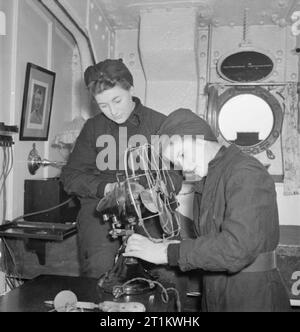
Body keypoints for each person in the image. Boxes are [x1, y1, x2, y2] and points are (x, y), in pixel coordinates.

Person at [124, 108, 291, 312]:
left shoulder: (245, 171)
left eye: (183, 154)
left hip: (252, 294)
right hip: (214, 290)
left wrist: (167, 252)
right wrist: (167, 244)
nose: (184, 169)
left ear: (199, 137)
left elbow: (237, 248)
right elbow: (210, 243)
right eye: (178, 164)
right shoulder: (207, 182)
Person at [60, 59, 182, 278]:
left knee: (167, 276)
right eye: (103, 106)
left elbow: (175, 177)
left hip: (150, 213)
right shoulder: (93, 128)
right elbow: (70, 177)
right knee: (100, 273)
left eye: (117, 100)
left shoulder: (160, 124)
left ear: (130, 88)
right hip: (101, 215)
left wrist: (142, 191)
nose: (113, 111)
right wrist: (107, 189)